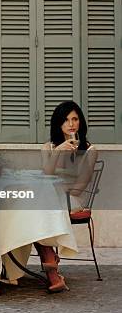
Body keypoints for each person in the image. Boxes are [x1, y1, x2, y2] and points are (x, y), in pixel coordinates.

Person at [40, 100, 98, 292]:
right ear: (59, 124)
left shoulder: (90, 150)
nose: (71, 124)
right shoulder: (48, 148)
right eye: (66, 120)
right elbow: (46, 176)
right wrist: (57, 152)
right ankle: (50, 263)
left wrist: (61, 192)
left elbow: (79, 188)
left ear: (80, 122)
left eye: (75, 119)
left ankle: (49, 260)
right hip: (51, 198)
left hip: (72, 200)